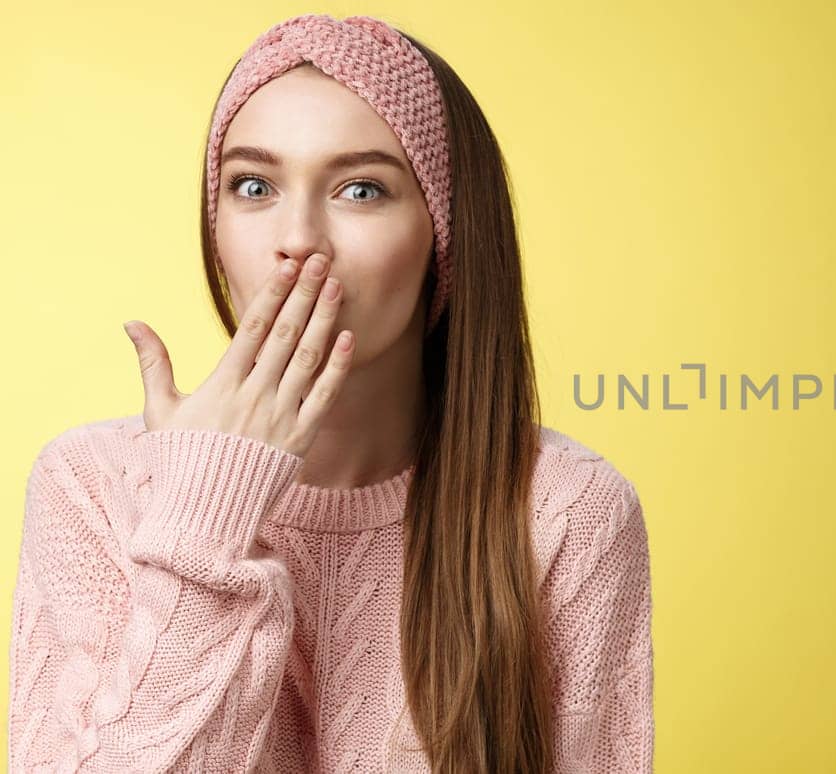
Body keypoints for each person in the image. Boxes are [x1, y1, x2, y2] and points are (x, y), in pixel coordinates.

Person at [8, 14, 653, 774]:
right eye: (255, 186)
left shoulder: (566, 511)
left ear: (445, 236)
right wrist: (202, 519)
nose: (299, 238)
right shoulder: (93, 486)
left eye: (360, 189)